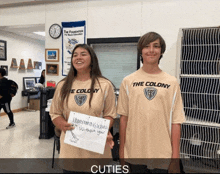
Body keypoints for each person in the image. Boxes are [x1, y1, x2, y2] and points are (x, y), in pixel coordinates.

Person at [117, 32, 186, 173]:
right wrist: (122, 153)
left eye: (156, 46)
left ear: (161, 51)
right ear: (141, 51)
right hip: (134, 154)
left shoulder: (172, 82)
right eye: (146, 46)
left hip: (162, 156)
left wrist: (175, 158)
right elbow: (124, 119)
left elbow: (176, 122)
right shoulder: (128, 81)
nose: (151, 50)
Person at [49, 44, 117, 173]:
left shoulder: (105, 84)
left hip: (96, 149)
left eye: (83, 54)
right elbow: (55, 112)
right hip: (71, 151)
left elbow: (110, 114)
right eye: (75, 55)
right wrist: (63, 125)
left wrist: (101, 129)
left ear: (92, 58)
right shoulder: (63, 85)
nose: (78, 57)